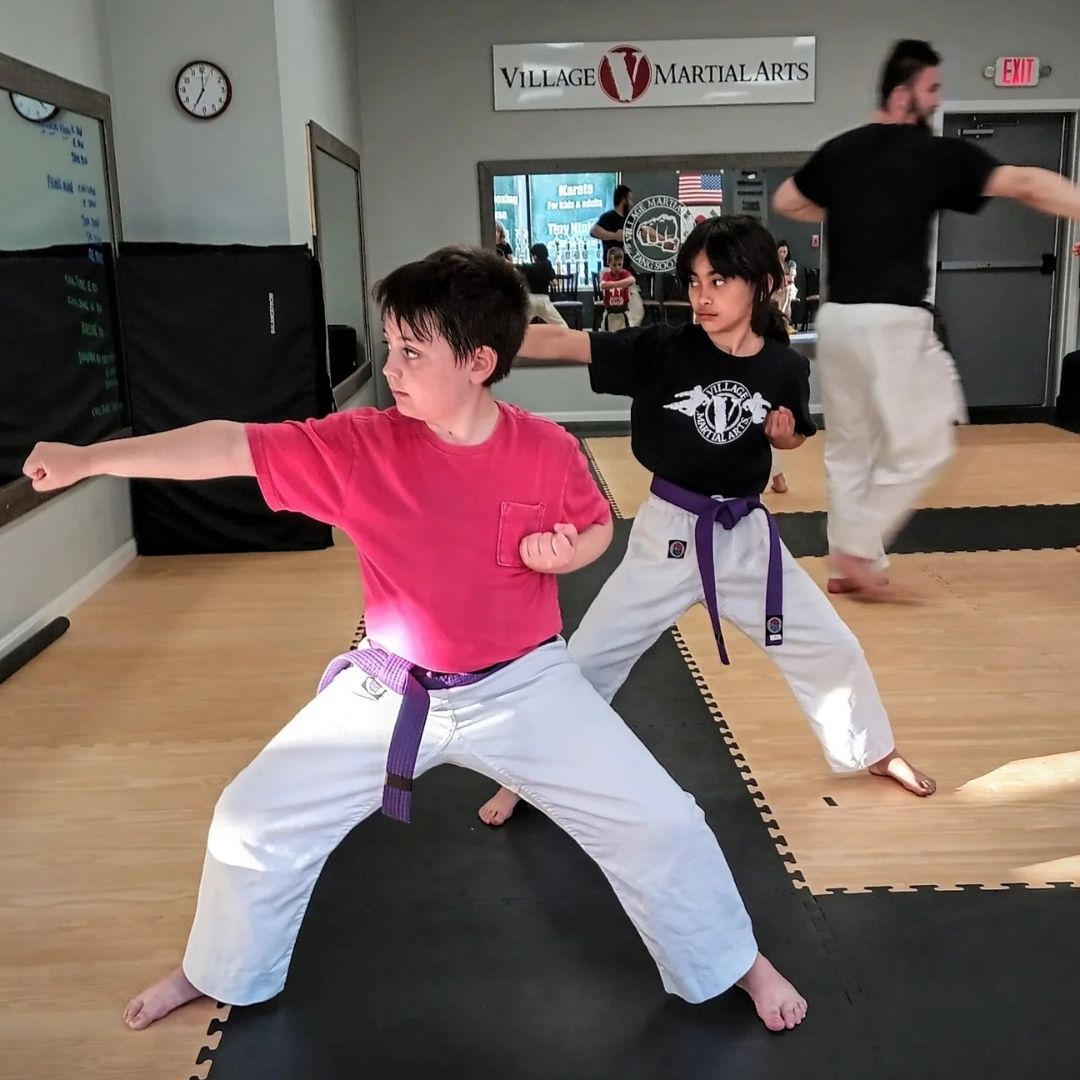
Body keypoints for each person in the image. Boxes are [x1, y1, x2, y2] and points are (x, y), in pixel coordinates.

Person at [23, 247, 807, 1034]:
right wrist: (92, 460)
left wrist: (575, 551)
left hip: (528, 686)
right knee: (249, 816)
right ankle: (217, 968)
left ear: (479, 362)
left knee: (663, 821)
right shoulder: (360, 445)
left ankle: (734, 960)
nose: (389, 367)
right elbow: (230, 445)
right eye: (390, 345)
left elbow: (597, 520)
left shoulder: (547, 449)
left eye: (410, 352)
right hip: (392, 688)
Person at [478, 217, 934, 834]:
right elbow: (567, 344)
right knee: (591, 656)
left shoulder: (782, 366)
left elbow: (797, 429)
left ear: (764, 284)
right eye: (694, 281)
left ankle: (873, 751)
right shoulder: (664, 348)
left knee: (829, 644)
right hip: (668, 532)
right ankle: (523, 774)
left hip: (745, 536)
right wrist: (476, 332)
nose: (702, 296)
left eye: (719, 280)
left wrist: (785, 435)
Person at [773, 39, 1080, 599]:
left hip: (839, 320)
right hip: (891, 323)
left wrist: (850, 206)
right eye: (933, 89)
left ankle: (846, 565)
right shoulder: (932, 156)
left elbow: (787, 201)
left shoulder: (840, 151)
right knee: (928, 443)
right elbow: (1027, 183)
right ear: (902, 94)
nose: (938, 101)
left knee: (851, 448)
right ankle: (856, 547)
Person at [592, 185, 644, 327]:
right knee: (613, 307)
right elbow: (594, 231)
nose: (632, 203)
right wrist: (614, 235)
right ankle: (614, 335)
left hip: (625, 270)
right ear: (623, 199)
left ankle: (625, 335)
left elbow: (644, 229)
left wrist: (663, 239)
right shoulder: (608, 218)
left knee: (636, 308)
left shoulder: (629, 220)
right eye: (630, 199)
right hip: (610, 270)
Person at [517, 242, 566, 326]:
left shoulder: (529, 268)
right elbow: (554, 282)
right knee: (560, 324)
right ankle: (568, 337)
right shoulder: (548, 265)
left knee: (521, 326)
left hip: (530, 299)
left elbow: (520, 276)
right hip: (543, 300)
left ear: (535, 256)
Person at [599, 246, 635, 331]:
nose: (617, 268)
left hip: (623, 311)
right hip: (609, 311)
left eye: (620, 264)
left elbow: (632, 280)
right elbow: (602, 285)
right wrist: (620, 284)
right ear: (608, 263)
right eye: (614, 265)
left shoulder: (625, 274)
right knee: (606, 333)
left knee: (627, 332)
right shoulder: (606, 275)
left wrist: (613, 284)